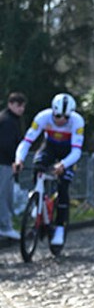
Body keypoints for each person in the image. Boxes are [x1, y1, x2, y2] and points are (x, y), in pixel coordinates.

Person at [13, 93, 84, 252]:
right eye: (57, 116)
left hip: (68, 152)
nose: (61, 120)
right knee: (38, 165)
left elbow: (76, 151)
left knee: (64, 185)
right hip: (50, 147)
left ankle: (59, 227)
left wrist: (64, 164)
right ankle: (38, 200)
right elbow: (27, 141)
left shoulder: (77, 121)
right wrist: (19, 160)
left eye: (66, 117)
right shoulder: (43, 117)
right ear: (52, 111)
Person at [0, 92, 27, 240]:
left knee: (6, 194)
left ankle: (5, 225)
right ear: (11, 104)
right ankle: (5, 226)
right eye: (18, 105)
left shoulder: (8, 119)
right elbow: (7, 144)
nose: (21, 109)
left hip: (5, 162)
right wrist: (16, 160)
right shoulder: (8, 121)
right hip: (3, 163)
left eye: (22, 106)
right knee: (3, 195)